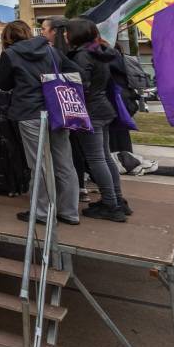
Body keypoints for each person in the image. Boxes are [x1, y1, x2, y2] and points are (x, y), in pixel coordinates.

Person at [0, 18, 82, 226]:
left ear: (7, 37)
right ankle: (69, 211)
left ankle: (43, 212)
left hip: (29, 113)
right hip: (57, 110)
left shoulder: (10, 54)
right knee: (64, 162)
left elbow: (4, 84)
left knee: (40, 165)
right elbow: (75, 71)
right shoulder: (51, 50)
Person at [64, 18, 129, 222]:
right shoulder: (100, 52)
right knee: (105, 156)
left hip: (90, 111)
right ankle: (116, 199)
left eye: (67, 32)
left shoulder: (82, 56)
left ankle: (111, 204)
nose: (65, 35)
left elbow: (80, 86)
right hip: (102, 107)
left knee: (96, 159)